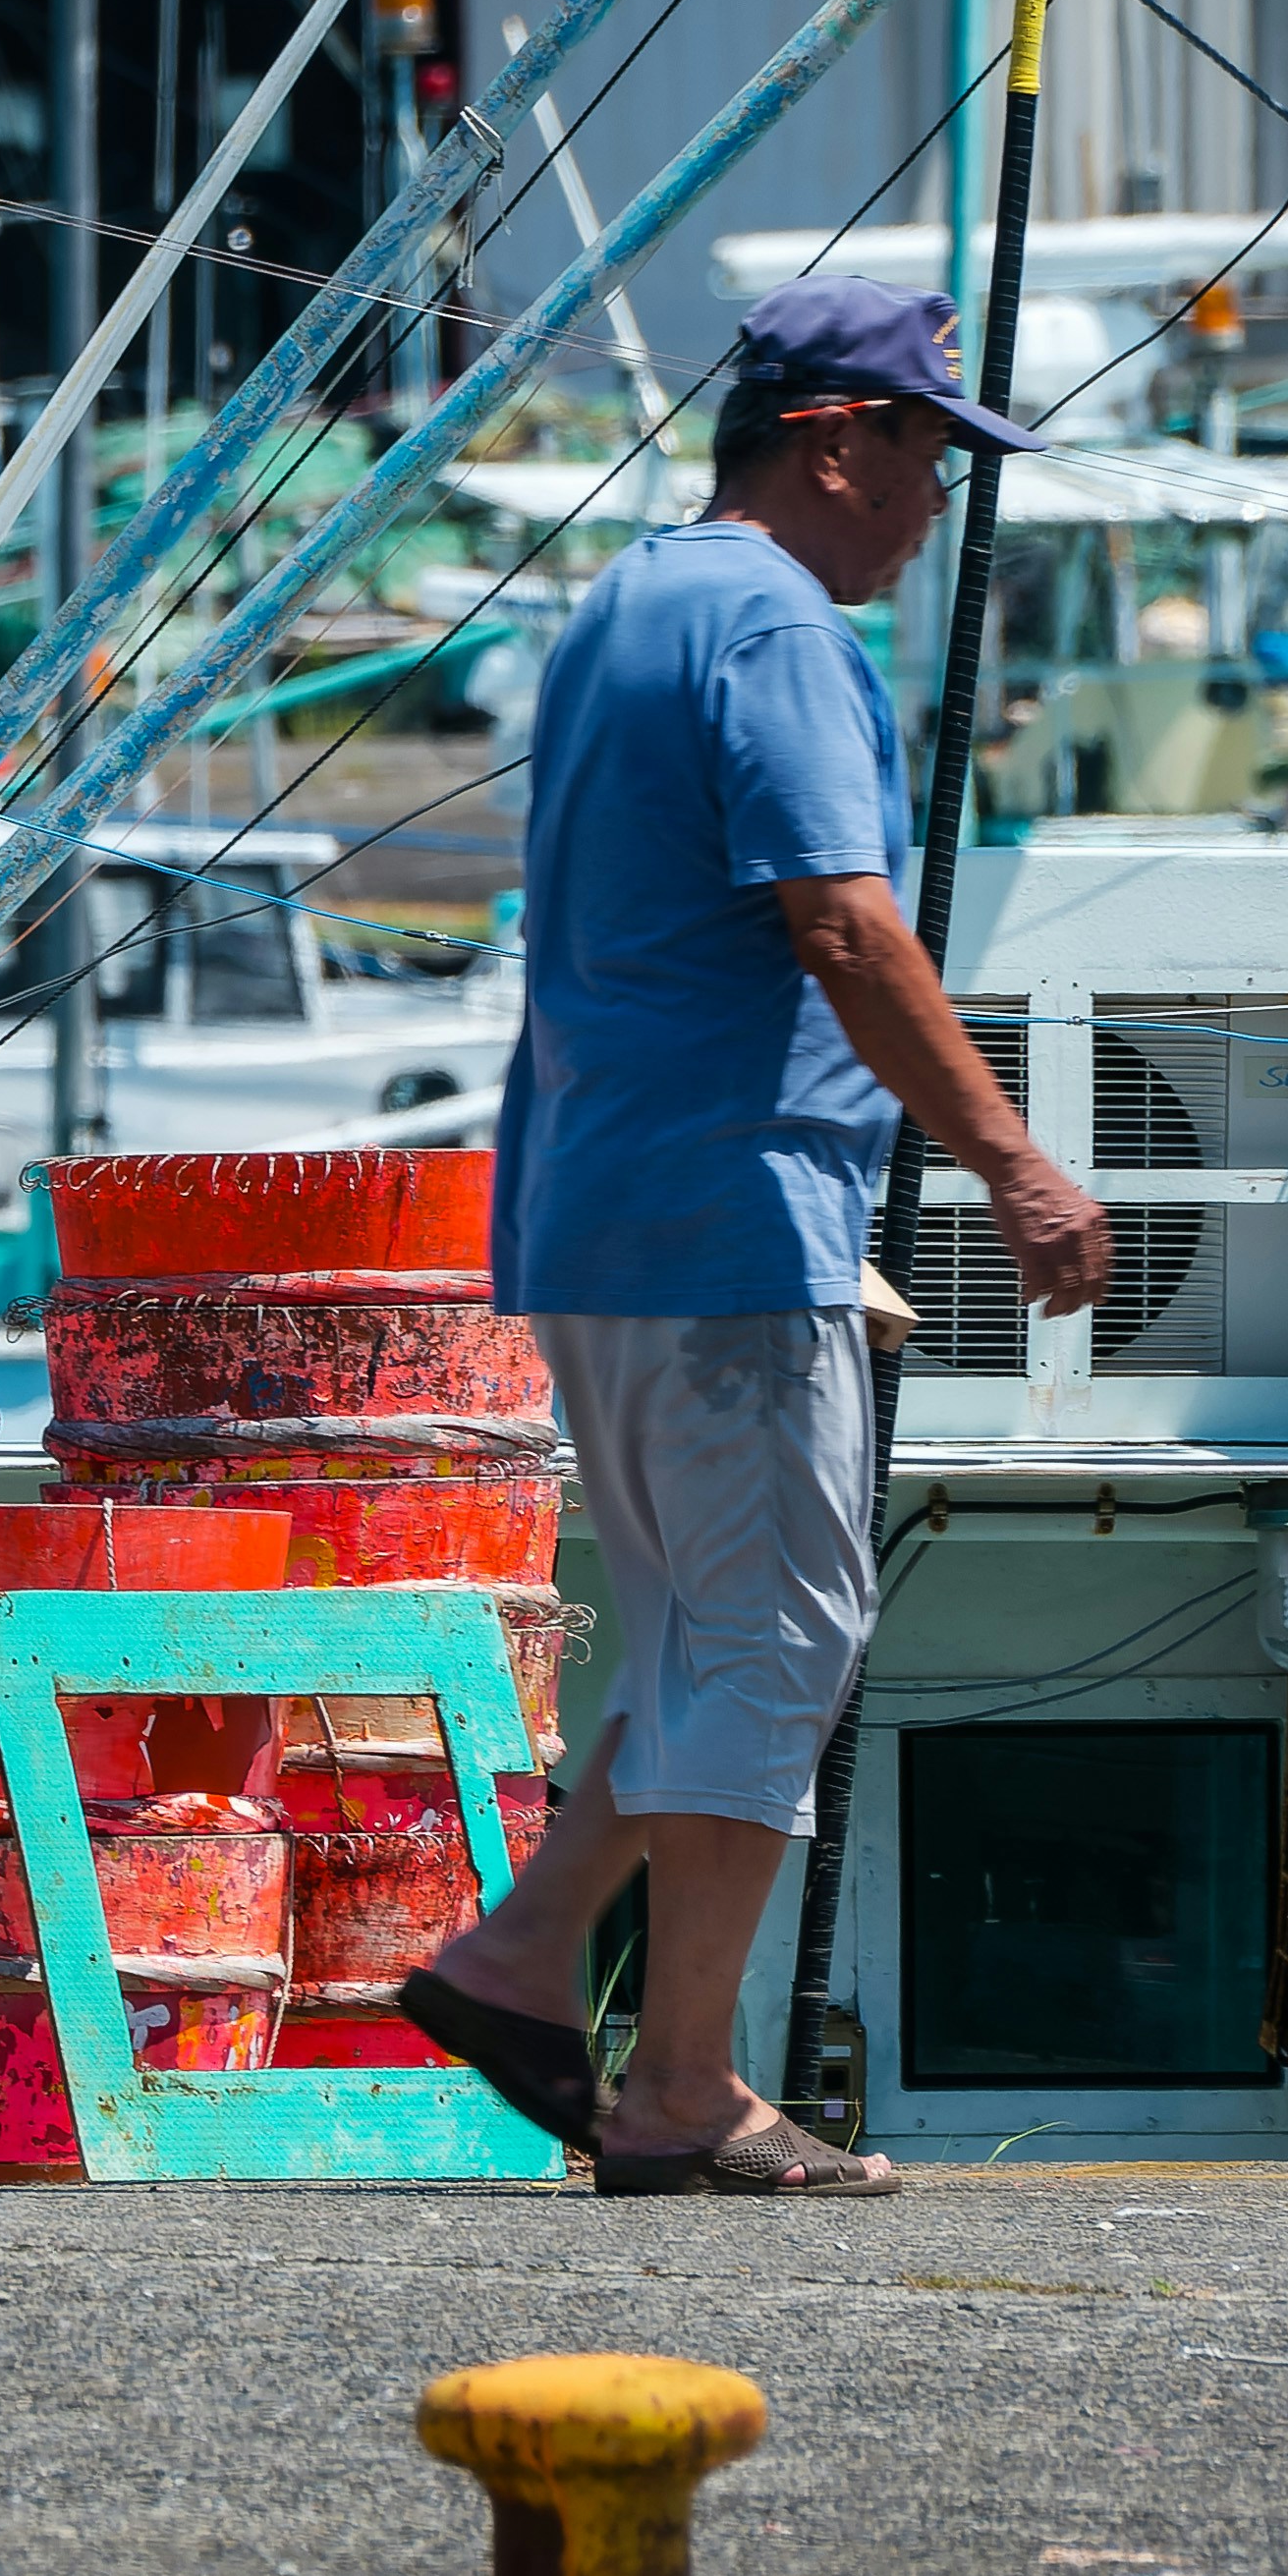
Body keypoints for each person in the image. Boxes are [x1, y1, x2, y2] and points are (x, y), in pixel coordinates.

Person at [397, 274, 1112, 2195]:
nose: (937, 506)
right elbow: (844, 925)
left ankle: (527, 1965)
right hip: (727, 1212)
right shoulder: (781, 626)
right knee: (786, 1635)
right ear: (834, 442)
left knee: (705, 1640)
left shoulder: (628, 602)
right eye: (929, 457)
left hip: (598, 1203)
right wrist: (1016, 1167)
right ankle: (682, 2084)